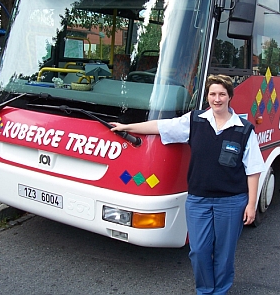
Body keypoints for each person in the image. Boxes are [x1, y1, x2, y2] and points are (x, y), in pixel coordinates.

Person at [110, 74, 265, 295]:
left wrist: (251, 204)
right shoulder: (195, 120)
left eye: (222, 94)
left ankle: (219, 290)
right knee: (199, 249)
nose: (217, 99)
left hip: (231, 202)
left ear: (230, 96)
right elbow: (160, 126)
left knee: (224, 251)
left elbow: (253, 170)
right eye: (213, 94)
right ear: (208, 97)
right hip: (198, 200)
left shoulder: (244, 129)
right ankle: (204, 289)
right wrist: (127, 126)